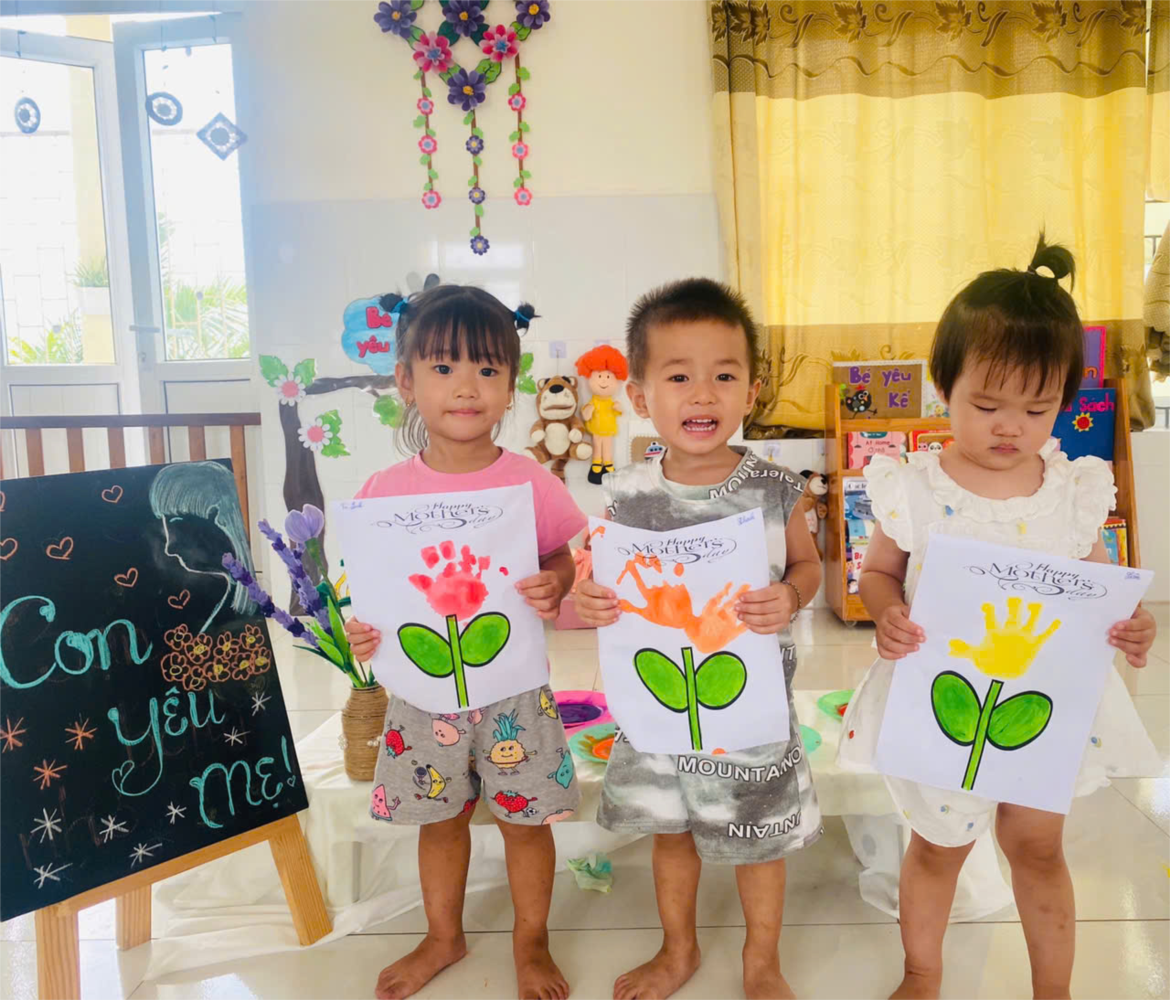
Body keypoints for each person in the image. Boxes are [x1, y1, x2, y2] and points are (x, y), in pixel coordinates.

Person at [838, 234, 1158, 1000]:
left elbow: (1097, 587)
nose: (1010, 426)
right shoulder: (915, 486)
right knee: (937, 847)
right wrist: (887, 612)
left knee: (1038, 848)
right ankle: (922, 971)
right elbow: (877, 574)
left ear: (1063, 403)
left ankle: (1055, 989)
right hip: (945, 701)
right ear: (944, 387)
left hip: (1041, 709)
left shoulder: (1071, 489)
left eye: (1037, 408)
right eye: (986, 406)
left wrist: (1130, 623)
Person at [575, 278, 824, 1000]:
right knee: (671, 829)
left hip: (748, 710)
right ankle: (677, 948)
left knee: (759, 839)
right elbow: (602, 581)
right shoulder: (625, 494)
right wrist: (590, 598)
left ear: (752, 391)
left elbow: (810, 567)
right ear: (640, 395)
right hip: (659, 708)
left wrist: (791, 594)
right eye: (679, 377)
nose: (703, 395)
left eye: (725, 376)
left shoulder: (776, 488)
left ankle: (762, 961)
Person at [343, 285, 585, 1000]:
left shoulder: (529, 481)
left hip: (514, 690)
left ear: (511, 386)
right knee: (441, 820)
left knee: (525, 824)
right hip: (422, 696)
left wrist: (555, 582)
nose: (467, 387)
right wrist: (363, 630)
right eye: (444, 368)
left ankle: (531, 941)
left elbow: (561, 556)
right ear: (406, 381)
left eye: (487, 369)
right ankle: (443, 936)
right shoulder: (384, 490)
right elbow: (371, 590)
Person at [149, 460, 255, 633]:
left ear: (218, 516)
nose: (170, 548)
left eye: (178, 522)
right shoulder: (231, 614)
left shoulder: (244, 626)